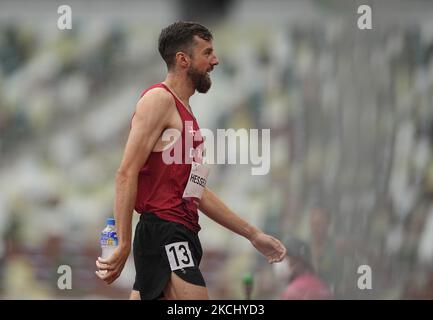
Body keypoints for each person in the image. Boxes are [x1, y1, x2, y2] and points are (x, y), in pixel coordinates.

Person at [95, 21, 286, 300]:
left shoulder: (187, 116)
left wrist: (253, 234)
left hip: (176, 231)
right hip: (166, 231)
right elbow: (126, 172)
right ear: (183, 60)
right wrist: (123, 242)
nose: (215, 60)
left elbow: (196, 192)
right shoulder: (159, 100)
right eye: (207, 53)